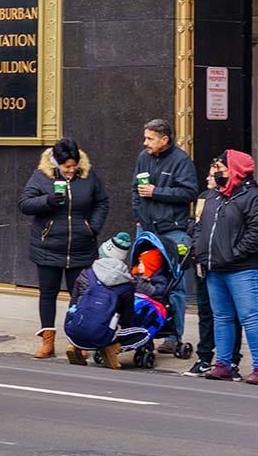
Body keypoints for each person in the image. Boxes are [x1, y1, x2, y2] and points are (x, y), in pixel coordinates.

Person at [18, 138, 111, 359]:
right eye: (66, 166)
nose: (71, 170)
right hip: (48, 245)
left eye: (74, 165)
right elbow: (25, 204)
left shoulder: (89, 177)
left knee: (79, 296)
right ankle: (47, 342)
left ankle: (77, 342)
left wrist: (93, 227)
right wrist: (48, 200)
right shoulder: (41, 176)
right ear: (56, 163)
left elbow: (102, 202)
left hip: (81, 246)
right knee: (48, 294)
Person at [131, 118, 197, 354]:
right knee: (141, 279)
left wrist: (157, 192)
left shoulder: (181, 161)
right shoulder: (143, 158)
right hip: (147, 229)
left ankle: (173, 335)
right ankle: (142, 330)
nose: (145, 142)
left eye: (149, 138)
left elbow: (189, 192)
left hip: (173, 231)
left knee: (174, 285)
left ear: (164, 139)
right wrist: (138, 214)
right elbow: (135, 190)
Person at [196, 149, 258, 384]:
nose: (216, 173)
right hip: (215, 267)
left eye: (221, 169)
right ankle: (224, 364)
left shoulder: (251, 197)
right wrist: (200, 251)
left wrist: (233, 254)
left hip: (242, 268)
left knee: (250, 317)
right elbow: (200, 225)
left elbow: (255, 232)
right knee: (221, 317)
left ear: (236, 171)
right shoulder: (214, 196)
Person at [183, 161, 244, 376]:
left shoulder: (237, 197)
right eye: (209, 175)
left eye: (214, 174)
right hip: (205, 261)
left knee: (232, 314)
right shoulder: (205, 197)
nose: (210, 178)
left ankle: (232, 360)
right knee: (208, 312)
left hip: (226, 262)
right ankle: (205, 356)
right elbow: (197, 224)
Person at [64, 242, 136, 370]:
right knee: (143, 333)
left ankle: (75, 346)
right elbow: (127, 317)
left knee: (79, 314)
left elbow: (73, 303)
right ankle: (111, 349)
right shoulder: (126, 283)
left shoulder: (86, 274)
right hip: (104, 334)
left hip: (74, 330)